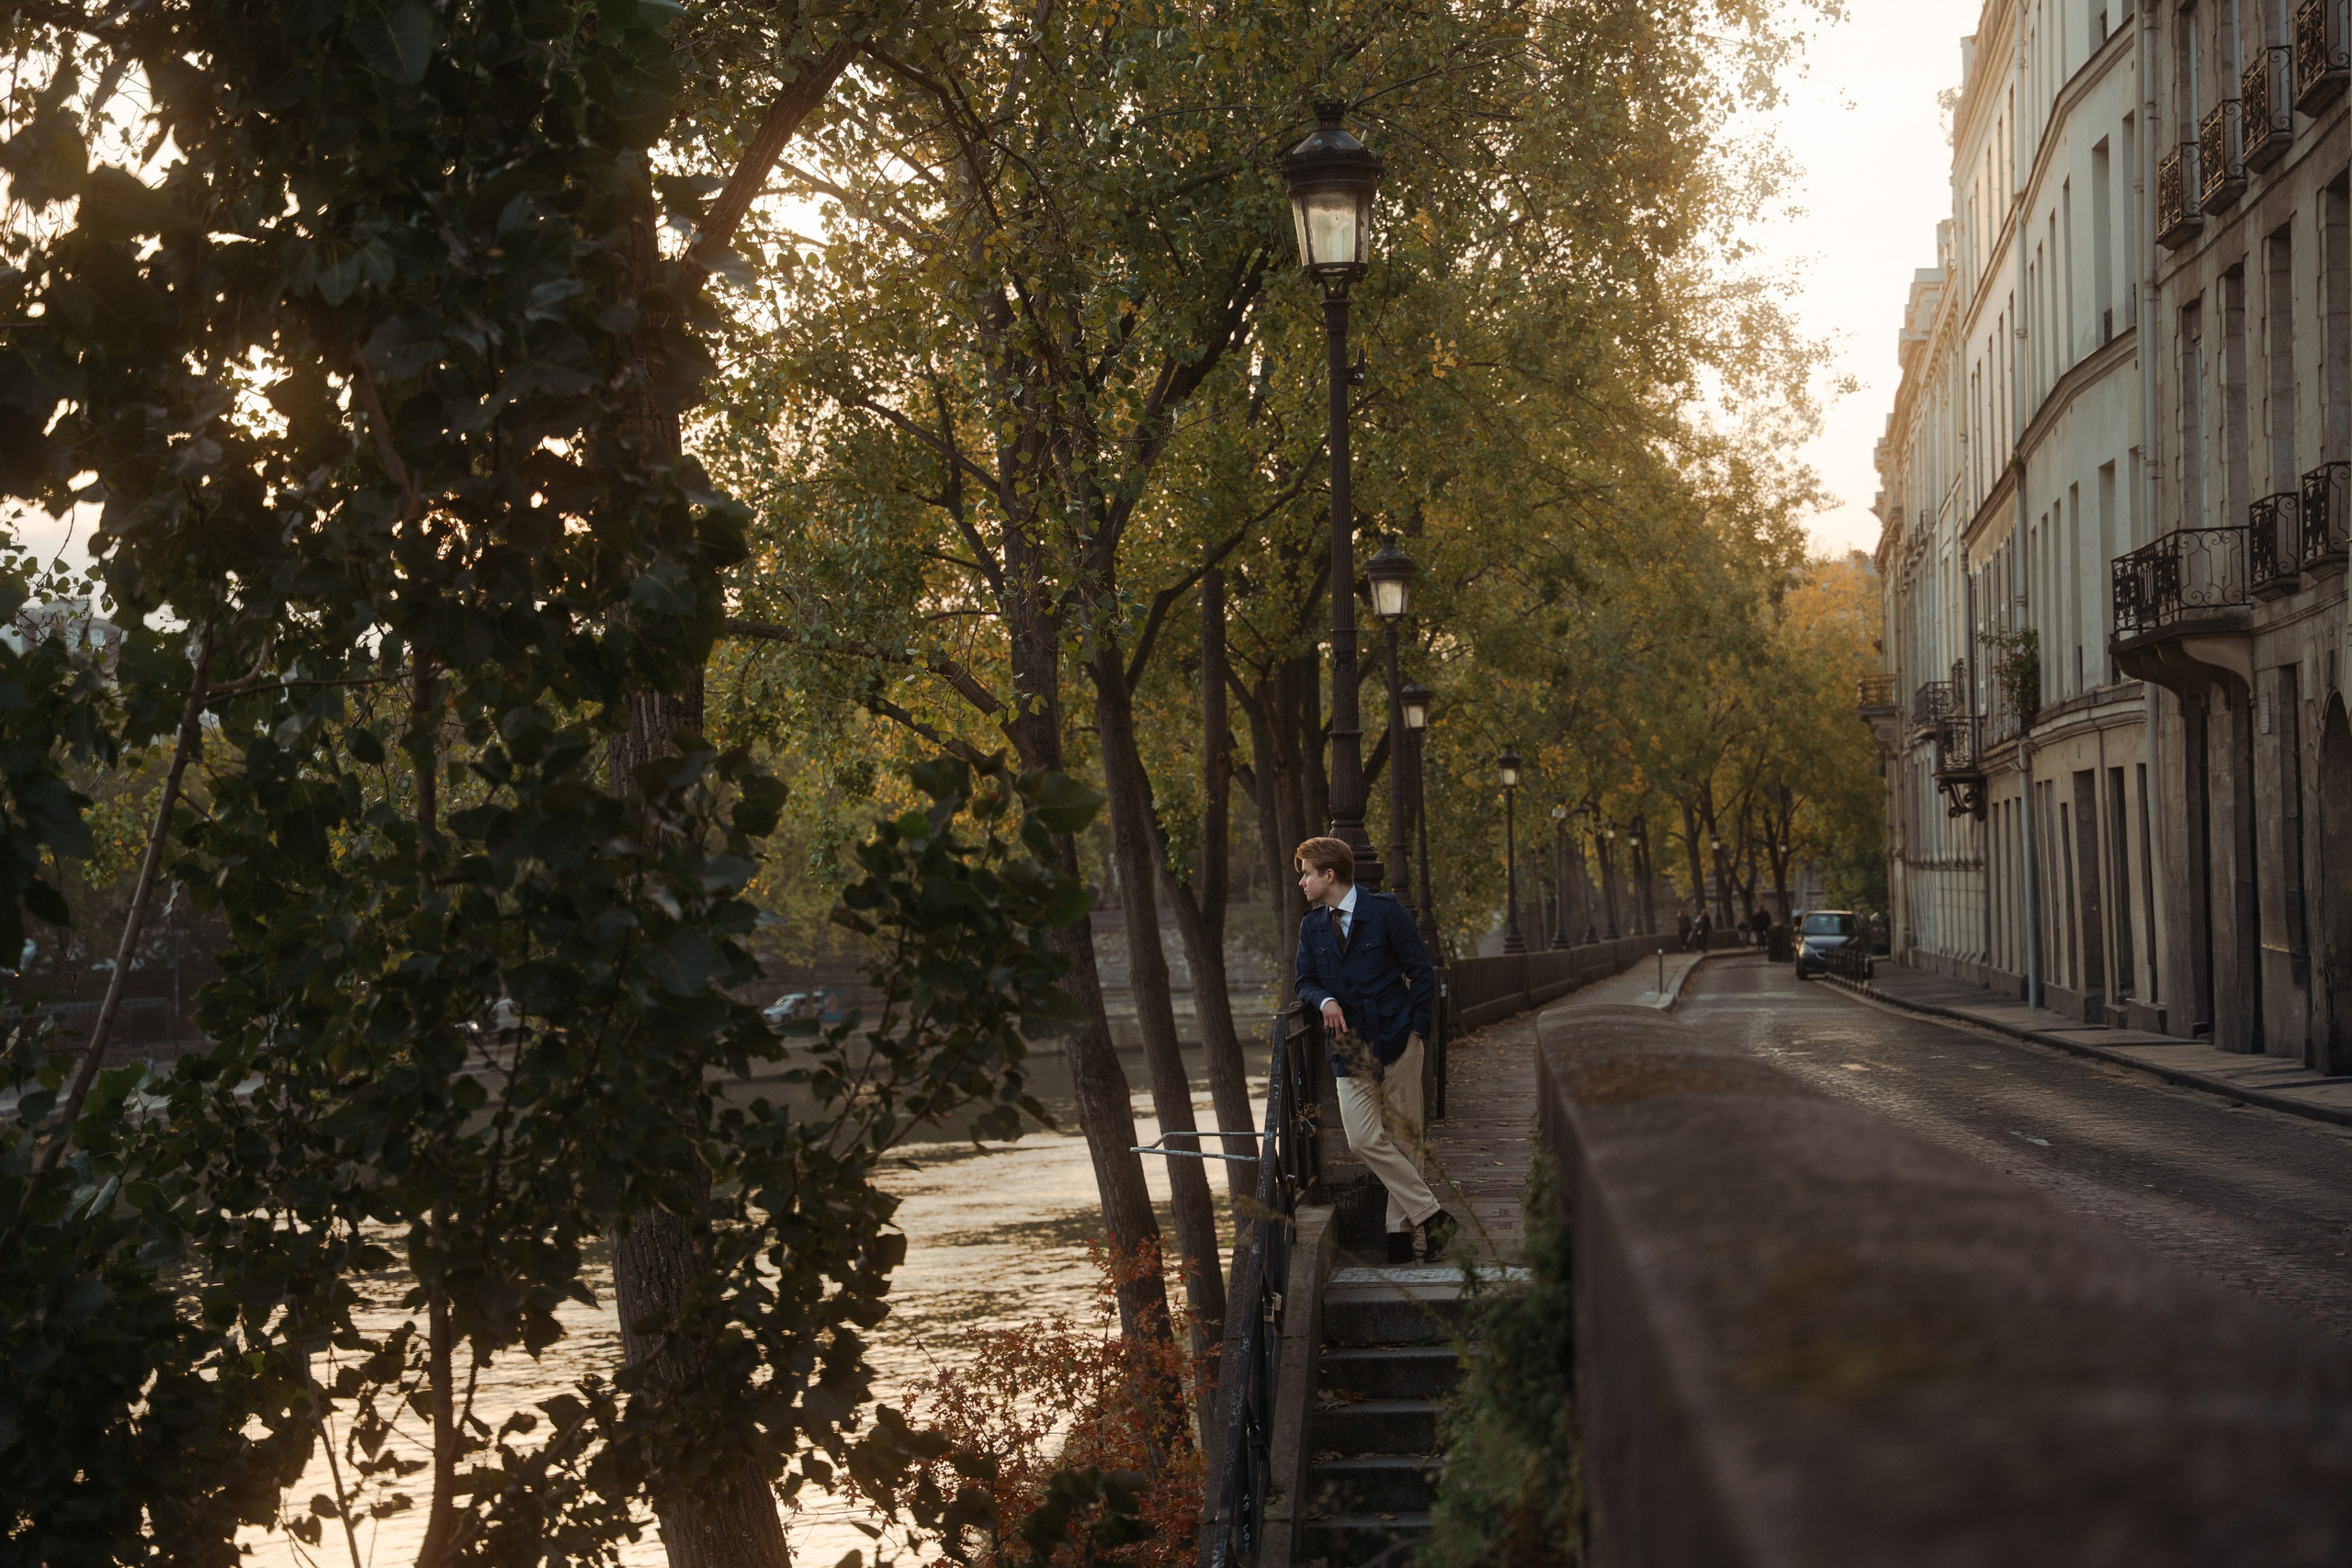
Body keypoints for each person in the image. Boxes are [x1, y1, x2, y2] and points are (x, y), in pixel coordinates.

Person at [1292, 835, 1452, 1265]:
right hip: (1348, 1043)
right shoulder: (1312, 926)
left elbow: (1421, 973)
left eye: (1306, 874)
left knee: (1406, 1138)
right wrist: (1324, 1000)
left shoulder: (1386, 914)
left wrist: (1418, 1031)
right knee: (1362, 1137)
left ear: (1329, 875)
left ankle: (1399, 1236)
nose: (1302, 883)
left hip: (1398, 1035)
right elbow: (1303, 980)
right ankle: (1432, 1215)